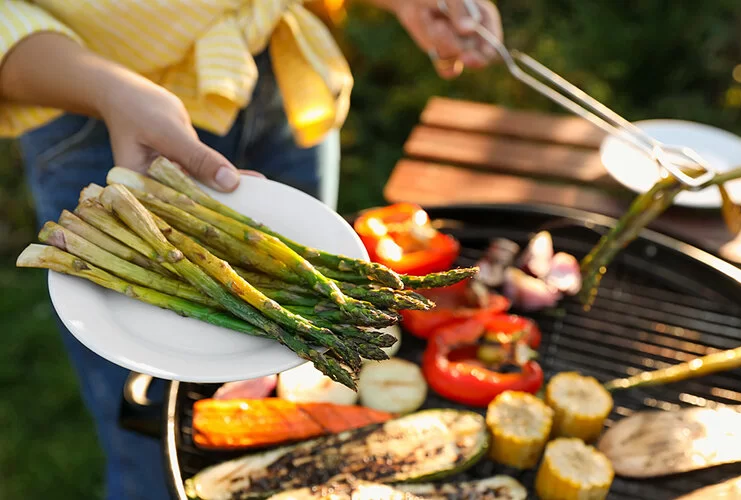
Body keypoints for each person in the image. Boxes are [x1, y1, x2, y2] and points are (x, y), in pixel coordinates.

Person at [0, 1, 503, 498]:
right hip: (79, 94)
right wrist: (107, 91)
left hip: (274, 65)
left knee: (287, 334)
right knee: (142, 429)